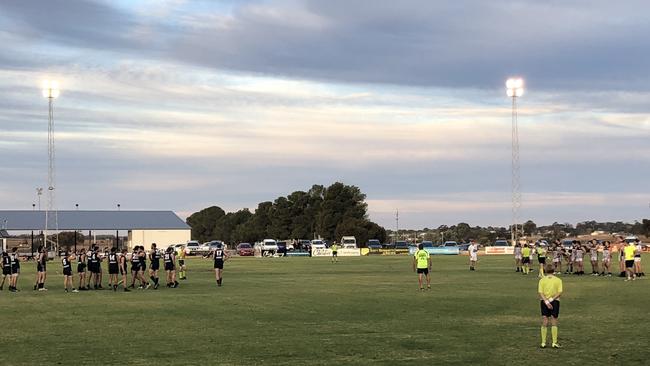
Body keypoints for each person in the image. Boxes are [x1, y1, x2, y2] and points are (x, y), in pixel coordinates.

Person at [538, 264, 563, 349]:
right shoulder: (558, 280)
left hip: (544, 302)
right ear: (554, 270)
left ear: (545, 270)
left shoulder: (542, 280)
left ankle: (543, 343)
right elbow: (559, 292)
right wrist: (550, 300)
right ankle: (554, 342)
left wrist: (546, 301)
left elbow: (540, 293)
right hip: (555, 301)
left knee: (545, 320)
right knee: (554, 320)